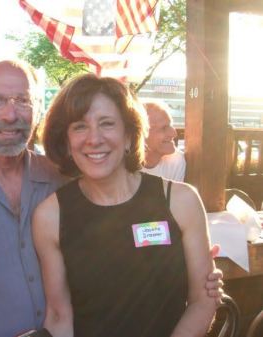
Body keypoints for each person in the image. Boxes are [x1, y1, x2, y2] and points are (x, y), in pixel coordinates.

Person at [0, 61, 223, 337]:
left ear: (129, 133)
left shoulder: (65, 181)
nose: (10, 115)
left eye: (23, 101)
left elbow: (187, 290)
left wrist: (194, 267)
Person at [33, 74, 217, 337]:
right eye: (79, 127)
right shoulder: (50, 216)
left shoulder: (181, 200)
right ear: (66, 140)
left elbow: (203, 300)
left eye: (107, 124)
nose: (94, 139)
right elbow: (59, 316)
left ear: (130, 135)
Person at [141, 100, 186, 181]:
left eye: (171, 125)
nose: (174, 133)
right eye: (164, 128)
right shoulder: (120, 165)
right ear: (141, 134)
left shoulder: (177, 161)